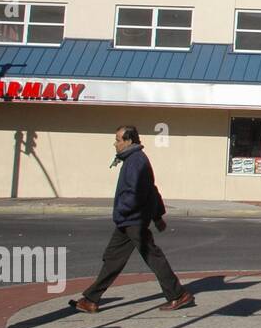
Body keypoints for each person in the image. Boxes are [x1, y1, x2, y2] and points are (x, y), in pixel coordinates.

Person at [69, 125, 194, 313]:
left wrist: (123, 210)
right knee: (113, 258)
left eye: (118, 139)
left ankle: (178, 295)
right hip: (128, 221)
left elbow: (138, 193)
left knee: (152, 256)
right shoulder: (133, 159)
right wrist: (157, 216)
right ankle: (91, 300)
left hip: (133, 220)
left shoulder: (136, 161)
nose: (115, 143)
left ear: (129, 141)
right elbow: (152, 190)